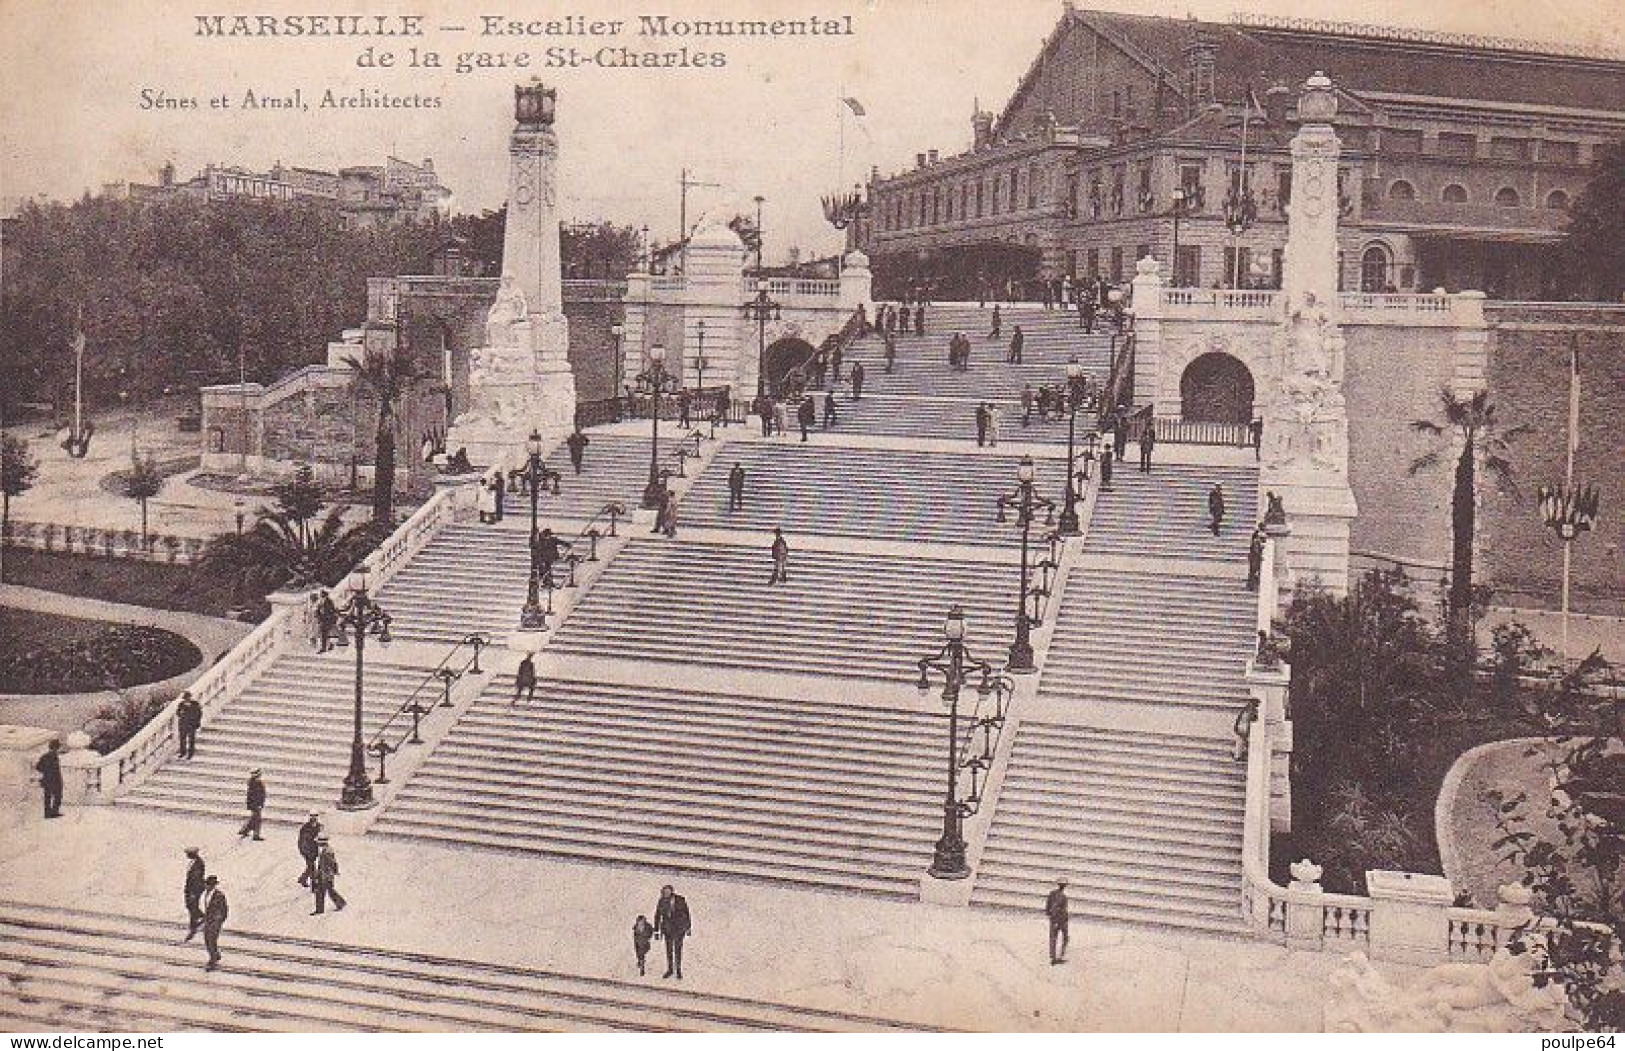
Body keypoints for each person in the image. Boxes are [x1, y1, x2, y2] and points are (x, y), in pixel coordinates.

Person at [653, 884, 693, 980]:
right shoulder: (661, 901)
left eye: (667, 891)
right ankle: (670, 970)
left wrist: (688, 927)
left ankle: (678, 970)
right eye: (664, 892)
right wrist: (656, 931)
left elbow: (687, 914)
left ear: (671, 891)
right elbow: (657, 916)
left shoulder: (681, 900)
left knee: (678, 950)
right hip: (667, 930)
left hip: (679, 929)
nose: (665, 893)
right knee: (669, 950)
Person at [312, 834, 346, 914]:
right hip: (325, 874)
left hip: (325, 875)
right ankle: (340, 903)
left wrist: (332, 872)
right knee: (329, 890)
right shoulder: (326, 850)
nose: (317, 843)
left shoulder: (326, 852)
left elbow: (332, 863)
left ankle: (320, 910)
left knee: (320, 891)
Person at [200, 875, 228, 971]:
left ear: (212, 886)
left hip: (215, 922)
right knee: (207, 940)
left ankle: (212, 961)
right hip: (208, 920)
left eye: (207, 884)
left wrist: (219, 920)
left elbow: (224, 909)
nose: (206, 886)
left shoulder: (219, 895)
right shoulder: (206, 894)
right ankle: (216, 955)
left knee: (211, 940)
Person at [183, 847, 207, 941]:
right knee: (190, 906)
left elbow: (196, 879)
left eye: (188, 853)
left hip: (194, 889)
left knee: (192, 906)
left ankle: (194, 926)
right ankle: (201, 919)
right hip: (191, 889)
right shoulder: (194, 862)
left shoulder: (198, 863)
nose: (187, 855)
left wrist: (193, 892)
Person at [1045, 879, 1070, 965]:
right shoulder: (1062, 897)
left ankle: (1054, 957)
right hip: (1060, 920)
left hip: (1054, 919)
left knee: (1053, 938)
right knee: (1065, 938)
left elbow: (1048, 906)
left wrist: (1049, 915)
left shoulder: (1052, 893)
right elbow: (1058, 909)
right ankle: (1059, 956)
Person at [296, 812, 322, 887]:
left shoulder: (319, 826)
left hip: (314, 849)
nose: (314, 818)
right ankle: (313, 884)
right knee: (312, 866)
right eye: (312, 816)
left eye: (315, 816)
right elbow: (303, 840)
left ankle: (302, 878)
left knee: (310, 866)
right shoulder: (305, 827)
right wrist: (304, 850)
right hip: (306, 849)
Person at [239, 769, 266, 840]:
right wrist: (260, 804)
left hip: (253, 804)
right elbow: (259, 795)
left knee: (254, 818)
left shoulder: (252, 782)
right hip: (256, 804)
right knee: (258, 819)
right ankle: (256, 835)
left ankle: (244, 830)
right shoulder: (257, 783)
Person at [176, 691, 202, 759]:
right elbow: (178, 713)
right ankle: (182, 752)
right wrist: (181, 713)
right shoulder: (181, 704)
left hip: (191, 724)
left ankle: (190, 754)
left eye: (188, 698)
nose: (186, 699)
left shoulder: (195, 704)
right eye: (185, 698)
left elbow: (199, 714)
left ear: (190, 697)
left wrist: (197, 722)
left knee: (191, 740)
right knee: (182, 739)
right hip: (183, 724)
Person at [1246, 524, 1267, 590]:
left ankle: (1251, 585)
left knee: (1253, 572)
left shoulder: (1256, 537)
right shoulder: (1256, 541)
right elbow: (1256, 550)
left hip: (1253, 557)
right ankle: (1251, 586)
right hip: (1254, 558)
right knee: (1253, 571)